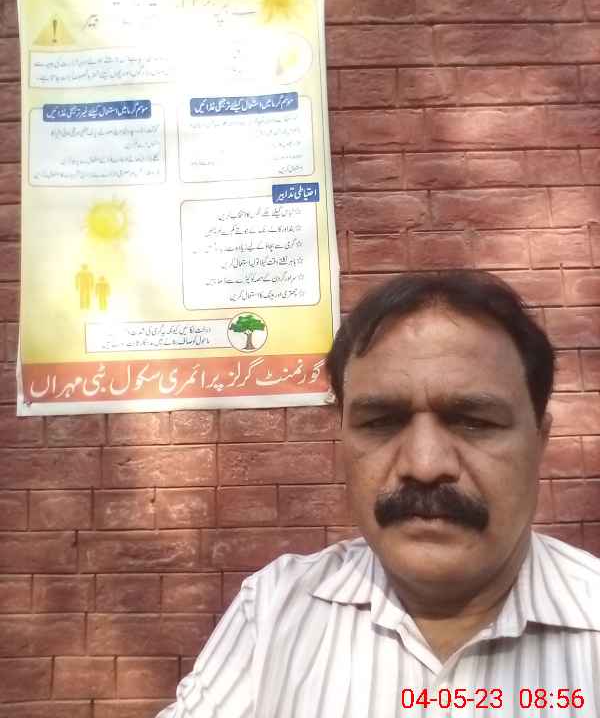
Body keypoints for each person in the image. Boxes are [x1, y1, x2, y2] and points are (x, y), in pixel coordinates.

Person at [158, 270, 600, 718]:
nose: (424, 465)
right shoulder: (274, 610)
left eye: (474, 422)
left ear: (539, 440)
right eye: (381, 423)